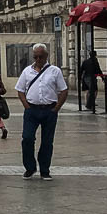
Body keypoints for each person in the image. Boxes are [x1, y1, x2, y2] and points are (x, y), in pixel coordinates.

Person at [15, 43, 68, 181]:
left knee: (47, 141)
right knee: (27, 138)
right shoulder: (27, 71)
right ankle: (30, 167)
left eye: (41, 56)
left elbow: (64, 90)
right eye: (36, 56)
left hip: (49, 110)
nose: (38, 59)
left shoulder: (55, 71)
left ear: (46, 56)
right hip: (32, 110)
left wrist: (56, 108)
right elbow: (20, 90)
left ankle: (45, 169)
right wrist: (26, 105)